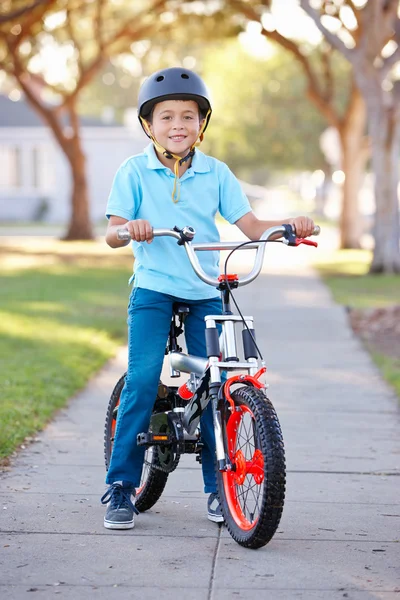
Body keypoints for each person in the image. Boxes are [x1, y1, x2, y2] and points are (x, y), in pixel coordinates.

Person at [101, 67, 315, 530]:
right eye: (166, 117)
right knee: (141, 378)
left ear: (202, 124)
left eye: (189, 116)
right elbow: (113, 232)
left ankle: (217, 489)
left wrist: (288, 228)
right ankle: (120, 485)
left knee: (216, 384)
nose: (178, 124)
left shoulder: (216, 172)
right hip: (154, 287)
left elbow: (252, 227)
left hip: (203, 288)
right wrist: (129, 229)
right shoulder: (135, 170)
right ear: (148, 125)